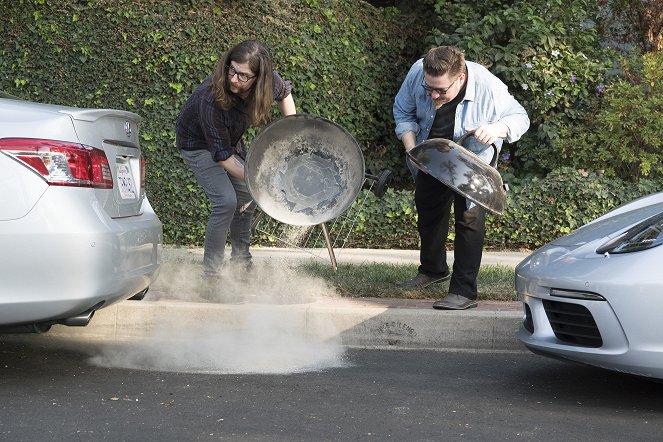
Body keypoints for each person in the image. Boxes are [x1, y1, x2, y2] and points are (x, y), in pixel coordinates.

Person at [393, 45, 529, 310]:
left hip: (472, 163)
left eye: (441, 90)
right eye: (428, 88)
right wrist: (413, 152)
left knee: (468, 221)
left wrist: (498, 128)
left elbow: (520, 117)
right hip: (431, 155)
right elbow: (403, 111)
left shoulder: (488, 86)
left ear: (461, 78)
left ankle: (463, 291)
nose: (433, 95)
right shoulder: (417, 72)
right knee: (428, 211)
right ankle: (433, 270)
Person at [176, 39, 296, 293]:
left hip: (227, 143)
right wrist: (261, 180)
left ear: (258, 77)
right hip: (198, 145)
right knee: (226, 202)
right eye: (231, 69)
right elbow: (222, 157)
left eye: (243, 75)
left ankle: (241, 265)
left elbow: (285, 94)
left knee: (247, 197)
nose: (233, 78)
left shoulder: (268, 81)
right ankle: (211, 279)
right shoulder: (211, 97)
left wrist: (292, 130)